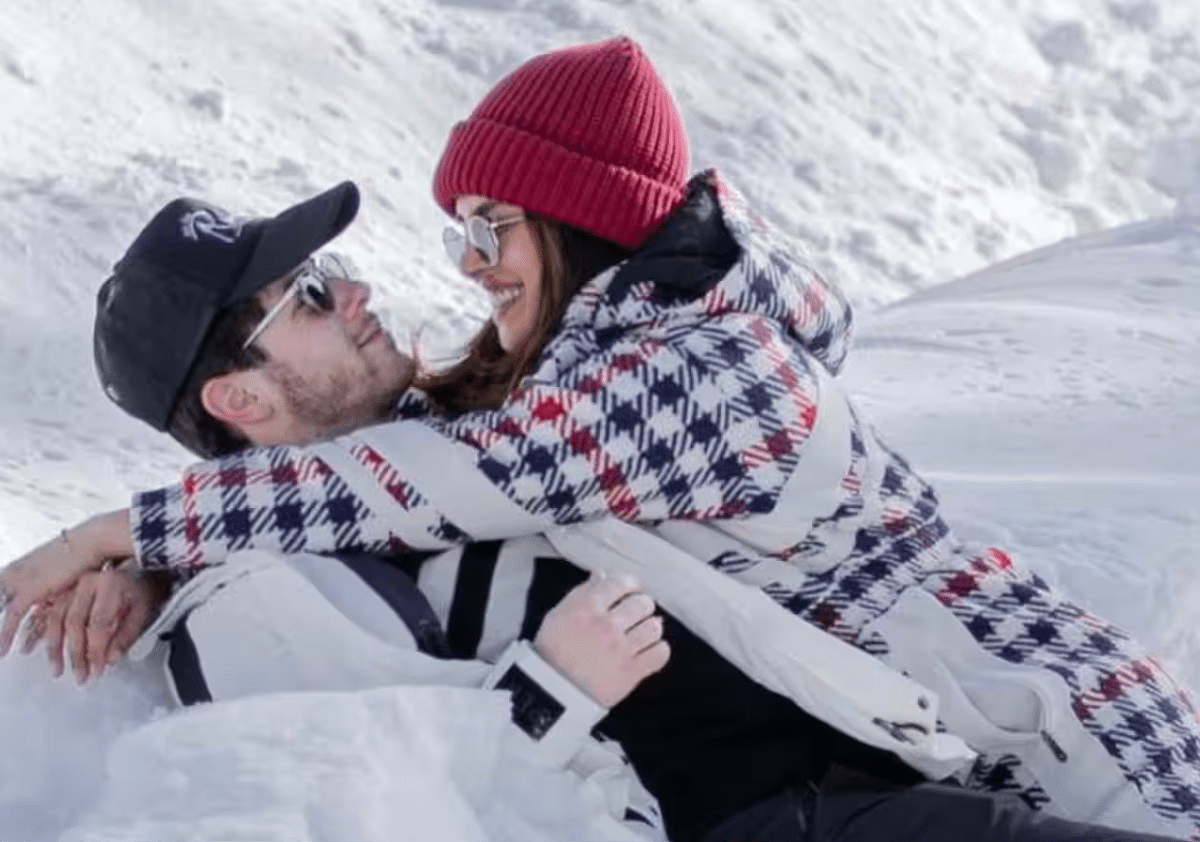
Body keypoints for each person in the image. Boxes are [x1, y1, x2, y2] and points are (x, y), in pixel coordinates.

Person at [1, 36, 1195, 841]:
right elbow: (382, 738)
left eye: (489, 226)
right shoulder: (459, 443)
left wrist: (123, 531)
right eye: (308, 296)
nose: (431, 276)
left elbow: (460, 474)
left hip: (1070, 730)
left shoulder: (695, 368)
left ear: (575, 224)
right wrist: (153, 563)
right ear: (237, 400)